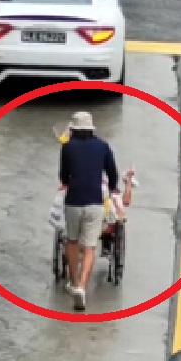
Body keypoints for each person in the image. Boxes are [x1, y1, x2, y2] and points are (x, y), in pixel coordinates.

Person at [58, 111, 120, 311]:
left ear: (74, 130)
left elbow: (63, 177)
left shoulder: (67, 147)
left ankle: (74, 283)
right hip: (95, 201)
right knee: (90, 246)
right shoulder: (103, 147)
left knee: (72, 241)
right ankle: (83, 287)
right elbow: (112, 173)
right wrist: (111, 190)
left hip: (74, 200)